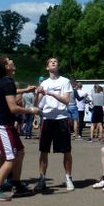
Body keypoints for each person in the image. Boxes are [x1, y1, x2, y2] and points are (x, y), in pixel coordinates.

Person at [0, 56, 40, 201]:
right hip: (1, 125)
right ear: (6, 67)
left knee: (20, 152)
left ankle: (15, 184)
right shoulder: (7, 82)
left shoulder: (5, 82)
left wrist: (25, 90)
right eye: (9, 60)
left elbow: (11, 91)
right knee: (10, 157)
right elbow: (13, 108)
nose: (12, 61)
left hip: (6, 124)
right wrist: (31, 110)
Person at [35, 57, 74, 192]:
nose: (53, 62)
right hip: (47, 119)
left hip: (62, 118)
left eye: (56, 61)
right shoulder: (44, 83)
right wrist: (37, 94)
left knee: (66, 150)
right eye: (51, 61)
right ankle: (42, 178)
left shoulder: (65, 81)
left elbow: (66, 100)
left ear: (58, 66)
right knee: (43, 150)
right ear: (47, 67)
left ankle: (68, 178)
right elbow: (37, 105)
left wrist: (50, 93)